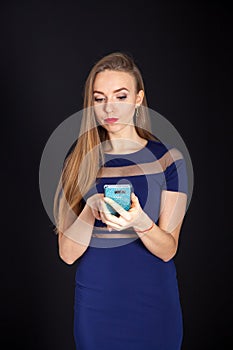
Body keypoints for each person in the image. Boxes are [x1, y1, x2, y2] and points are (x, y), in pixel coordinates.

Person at [53, 51, 188, 350]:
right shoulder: (78, 163)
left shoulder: (169, 160)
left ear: (138, 99)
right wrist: (91, 208)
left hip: (154, 306)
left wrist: (140, 222)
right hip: (97, 308)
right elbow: (67, 254)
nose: (109, 107)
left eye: (121, 96)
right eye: (99, 98)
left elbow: (168, 250)